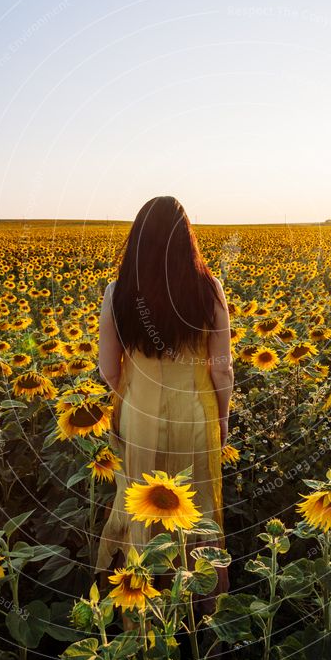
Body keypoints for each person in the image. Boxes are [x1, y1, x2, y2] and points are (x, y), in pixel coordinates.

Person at [95, 195, 233, 612]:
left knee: (140, 510)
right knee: (197, 512)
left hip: (138, 414)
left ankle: (142, 612)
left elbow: (109, 369)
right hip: (195, 416)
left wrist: (131, 403)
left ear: (137, 241)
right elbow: (221, 370)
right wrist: (222, 421)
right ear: (185, 239)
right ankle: (202, 615)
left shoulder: (118, 293)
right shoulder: (208, 290)